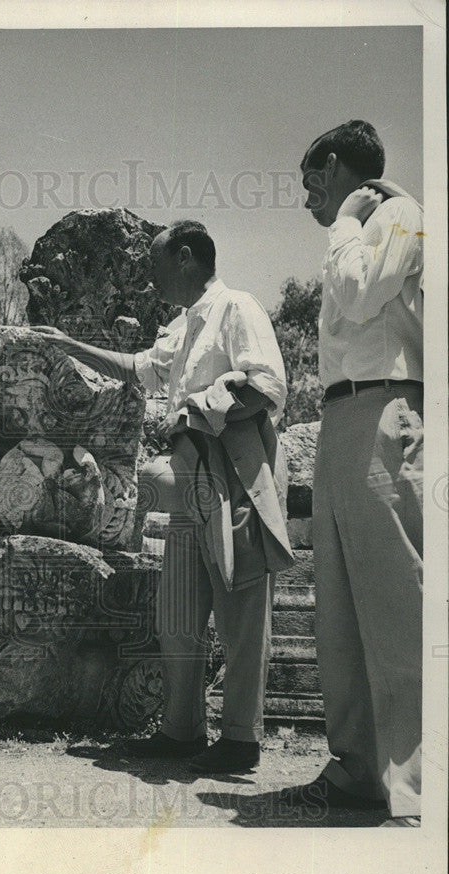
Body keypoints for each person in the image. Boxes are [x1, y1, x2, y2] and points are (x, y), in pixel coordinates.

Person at [34, 220, 293, 772]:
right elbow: (138, 370)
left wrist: (206, 408)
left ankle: (241, 739)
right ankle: (182, 731)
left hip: (232, 469)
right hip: (187, 477)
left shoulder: (236, 307)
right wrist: (68, 345)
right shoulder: (183, 326)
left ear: (185, 257)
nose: (150, 279)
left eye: (155, 266)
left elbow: (269, 385)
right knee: (178, 612)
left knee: (240, 607)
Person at [293, 120, 423, 826]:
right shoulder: (357, 226)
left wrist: (343, 222)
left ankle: (416, 785)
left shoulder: (400, 216)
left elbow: (361, 294)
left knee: (397, 602)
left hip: (386, 410)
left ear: (338, 167)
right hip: (341, 416)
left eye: (312, 180)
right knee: (339, 610)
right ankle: (354, 773)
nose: (308, 197)